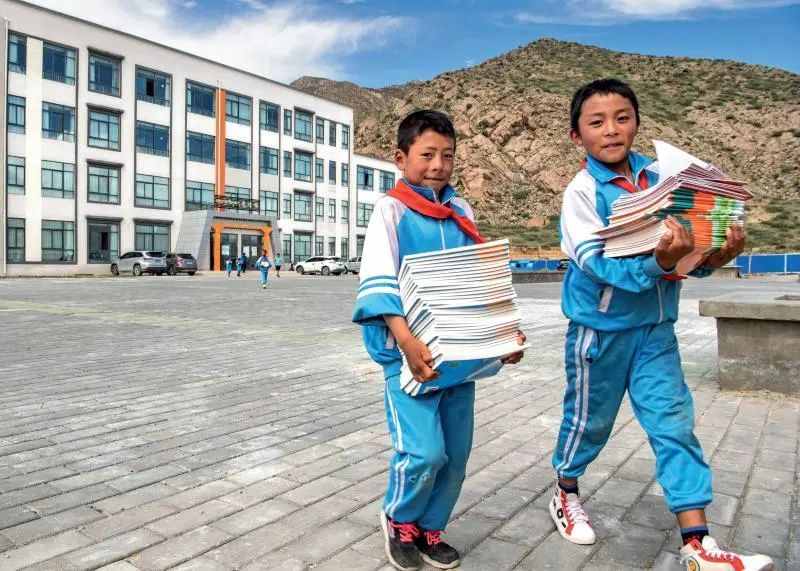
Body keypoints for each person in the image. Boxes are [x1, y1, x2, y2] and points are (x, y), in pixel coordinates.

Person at [549, 78, 770, 571]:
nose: (611, 130)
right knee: (589, 423)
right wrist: (661, 263)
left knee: (674, 425)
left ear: (637, 123)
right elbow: (597, 264)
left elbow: (687, 257)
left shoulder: (664, 181)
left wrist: (715, 255)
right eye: (596, 122)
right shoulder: (581, 193)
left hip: (656, 332)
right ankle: (565, 490)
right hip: (599, 333)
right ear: (577, 135)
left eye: (622, 118)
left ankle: (698, 544)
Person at [352, 110, 526, 571]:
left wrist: (503, 335)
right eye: (427, 154)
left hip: (459, 356)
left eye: (447, 156)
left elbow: (478, 279)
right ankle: (400, 519)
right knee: (424, 452)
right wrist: (406, 343)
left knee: (456, 454)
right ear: (400, 157)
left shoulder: (461, 211)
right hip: (409, 356)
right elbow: (379, 278)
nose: (438, 165)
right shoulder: (391, 210)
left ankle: (432, 527)